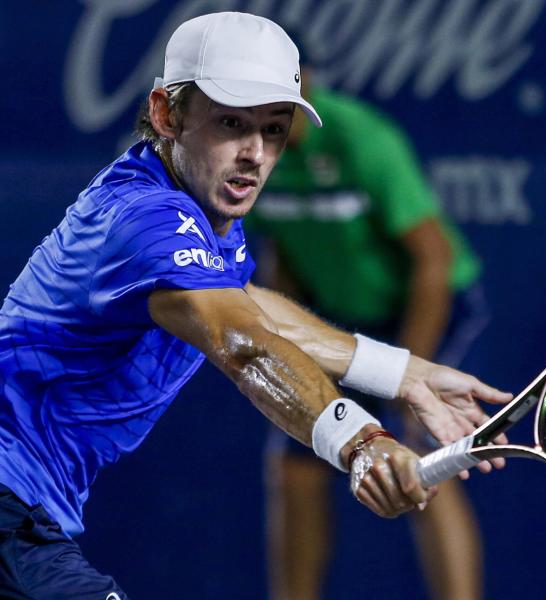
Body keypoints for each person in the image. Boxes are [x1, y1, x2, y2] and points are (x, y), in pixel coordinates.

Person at [0, 12, 511, 599]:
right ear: (167, 114)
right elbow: (244, 344)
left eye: (272, 129)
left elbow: (250, 307)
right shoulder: (148, 220)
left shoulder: (193, 204)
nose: (255, 154)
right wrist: (363, 442)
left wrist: (403, 372)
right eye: (229, 124)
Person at [248, 53, 490, 600]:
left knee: (426, 456)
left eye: (279, 95)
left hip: (422, 307)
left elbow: (434, 261)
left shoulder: (362, 139)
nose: (265, 115)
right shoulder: (253, 158)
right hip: (340, 318)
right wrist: (292, 345)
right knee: (293, 470)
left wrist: (412, 373)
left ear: (305, 87)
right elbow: (283, 253)